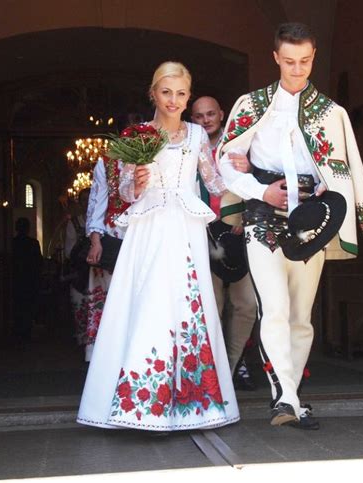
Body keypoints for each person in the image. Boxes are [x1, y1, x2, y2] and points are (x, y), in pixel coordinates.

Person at [218, 23, 363, 429]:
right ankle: (285, 400)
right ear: (275, 58)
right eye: (289, 61)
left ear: (314, 57)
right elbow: (225, 159)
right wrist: (258, 189)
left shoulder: (332, 112)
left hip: (312, 220)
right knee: (272, 308)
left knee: (301, 316)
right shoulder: (250, 105)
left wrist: (332, 186)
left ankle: (291, 397)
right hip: (262, 216)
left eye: (305, 62)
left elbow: (345, 167)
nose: (297, 69)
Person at [77, 62, 240, 431]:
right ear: (153, 93)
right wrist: (136, 184)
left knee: (188, 304)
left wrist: (245, 182)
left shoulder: (198, 135)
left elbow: (214, 183)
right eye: (167, 92)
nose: (174, 100)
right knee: (150, 303)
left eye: (181, 93)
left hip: (186, 229)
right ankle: (140, 406)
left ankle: (194, 405)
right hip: (149, 228)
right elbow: (122, 193)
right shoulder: (137, 135)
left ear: (188, 96)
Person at [191, 96, 257, 390]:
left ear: (221, 114)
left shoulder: (240, 145)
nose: (206, 120)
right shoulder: (188, 147)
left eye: (210, 114)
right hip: (201, 232)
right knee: (211, 308)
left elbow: (258, 181)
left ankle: (228, 371)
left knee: (245, 305)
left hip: (238, 231)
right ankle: (210, 374)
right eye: (199, 116)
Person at [84, 155, 130, 362]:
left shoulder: (156, 158)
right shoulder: (108, 163)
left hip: (145, 233)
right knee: (111, 299)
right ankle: (105, 357)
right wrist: (95, 241)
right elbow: (97, 203)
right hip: (112, 237)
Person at [65, 188, 90, 347]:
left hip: (100, 272)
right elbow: (69, 252)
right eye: (83, 200)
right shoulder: (73, 223)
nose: (87, 203)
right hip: (80, 274)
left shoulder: (105, 221)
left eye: (90, 198)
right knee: (80, 310)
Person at [11, 217, 43, 346]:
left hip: (16, 280)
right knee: (28, 307)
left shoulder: (12, 243)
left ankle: (18, 331)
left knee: (18, 307)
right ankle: (26, 333)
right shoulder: (33, 243)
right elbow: (39, 263)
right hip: (30, 280)